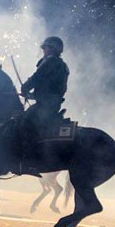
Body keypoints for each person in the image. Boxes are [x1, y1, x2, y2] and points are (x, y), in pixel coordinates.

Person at [18, 36, 69, 174]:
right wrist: (33, 95)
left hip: (46, 105)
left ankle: (29, 161)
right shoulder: (62, 65)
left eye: (45, 48)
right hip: (51, 103)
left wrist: (25, 87)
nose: (44, 51)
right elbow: (53, 88)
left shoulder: (51, 61)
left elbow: (37, 77)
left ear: (52, 48)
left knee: (25, 122)